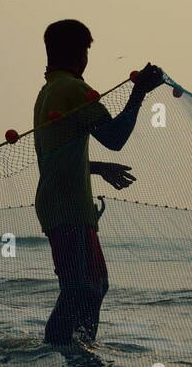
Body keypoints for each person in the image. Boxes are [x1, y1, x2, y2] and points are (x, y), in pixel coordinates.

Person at [32, 19, 163, 347]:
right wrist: (139, 92)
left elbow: (56, 155)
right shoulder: (72, 90)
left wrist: (97, 167)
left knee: (93, 285)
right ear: (81, 53)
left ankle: (79, 348)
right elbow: (115, 137)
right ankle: (63, 351)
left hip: (61, 203)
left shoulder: (48, 92)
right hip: (68, 206)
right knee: (81, 288)